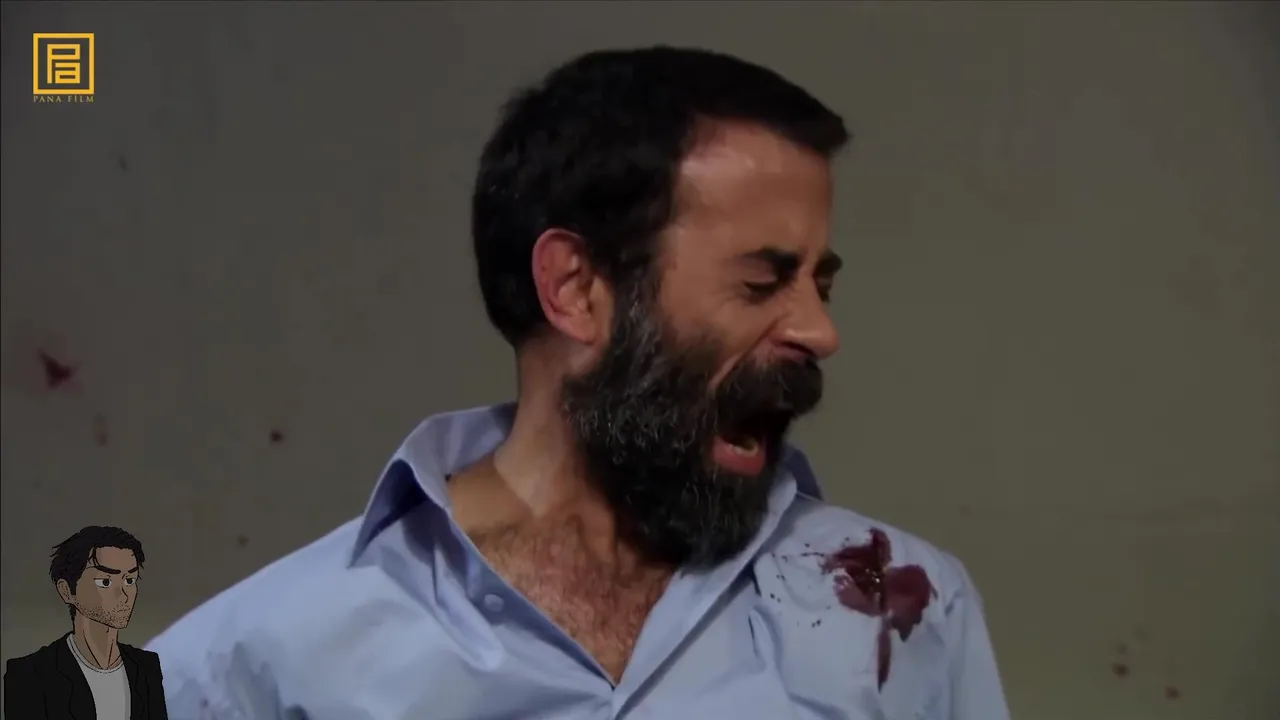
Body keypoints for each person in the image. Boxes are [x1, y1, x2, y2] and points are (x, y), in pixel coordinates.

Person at [147, 46, 1010, 719]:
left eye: (820, 284)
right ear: (576, 289)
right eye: (762, 281)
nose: (820, 332)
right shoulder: (262, 660)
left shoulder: (906, 613)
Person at [4, 526, 169, 720]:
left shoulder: (146, 668)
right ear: (67, 591)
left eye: (129, 581)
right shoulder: (31, 674)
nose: (124, 594)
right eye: (105, 582)